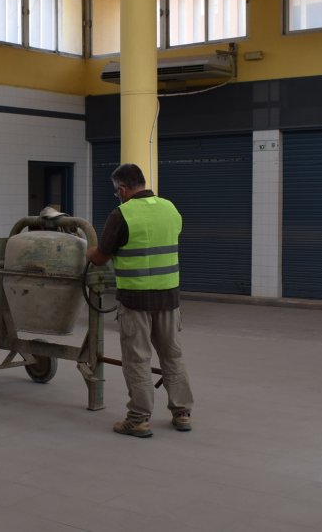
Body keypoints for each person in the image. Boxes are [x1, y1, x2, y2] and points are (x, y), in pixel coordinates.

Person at [86, 163, 193, 437]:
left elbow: (101, 258)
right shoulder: (171, 209)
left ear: (122, 189)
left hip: (136, 301)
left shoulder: (121, 215)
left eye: (117, 192)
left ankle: (138, 419)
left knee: (137, 360)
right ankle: (182, 413)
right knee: (173, 356)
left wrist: (85, 252)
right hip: (169, 298)